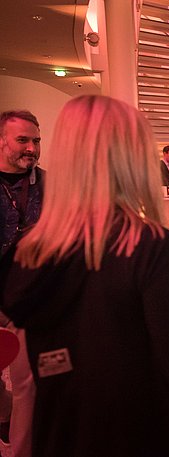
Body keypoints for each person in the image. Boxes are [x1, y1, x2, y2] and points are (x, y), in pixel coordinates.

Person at [0, 95, 169, 457]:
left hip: (65, 435)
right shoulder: (145, 244)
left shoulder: (30, 250)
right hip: (141, 432)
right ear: (129, 159)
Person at [0, 109, 43, 457]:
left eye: (36, 141)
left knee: (27, 387)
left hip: (29, 306)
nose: (31, 148)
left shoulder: (49, 184)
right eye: (22, 140)